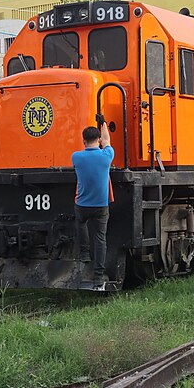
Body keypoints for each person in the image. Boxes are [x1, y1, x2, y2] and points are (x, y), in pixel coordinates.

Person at [72, 115, 114, 289]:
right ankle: (98, 275)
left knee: (80, 223)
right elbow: (107, 139)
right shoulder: (107, 156)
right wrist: (103, 123)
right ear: (98, 140)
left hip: (82, 205)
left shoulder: (76, 157)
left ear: (83, 141)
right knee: (100, 239)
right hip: (101, 206)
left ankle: (83, 253)